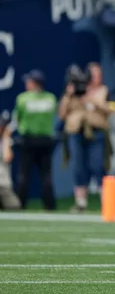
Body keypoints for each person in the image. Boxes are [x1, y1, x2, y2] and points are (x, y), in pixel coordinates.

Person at [59, 63, 115, 213]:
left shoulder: (104, 91)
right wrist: (69, 94)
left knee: (98, 166)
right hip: (77, 132)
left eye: (99, 74)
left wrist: (93, 100)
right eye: (94, 74)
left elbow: (113, 108)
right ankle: (81, 202)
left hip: (97, 132)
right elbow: (62, 114)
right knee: (79, 167)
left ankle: (106, 203)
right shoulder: (75, 91)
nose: (97, 77)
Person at [13, 70, 57, 210]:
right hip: (45, 140)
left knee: (24, 175)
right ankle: (49, 205)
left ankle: (20, 204)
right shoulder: (50, 98)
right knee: (46, 175)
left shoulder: (23, 99)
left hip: (28, 140)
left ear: (34, 83)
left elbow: (17, 119)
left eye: (29, 81)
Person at [0, 111, 21, 210]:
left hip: (3, 186)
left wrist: (6, 138)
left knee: (14, 206)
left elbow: (7, 157)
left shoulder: (6, 141)